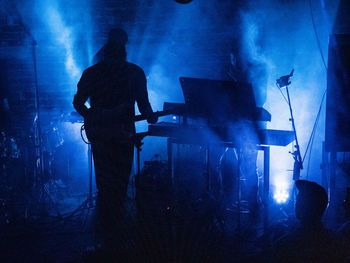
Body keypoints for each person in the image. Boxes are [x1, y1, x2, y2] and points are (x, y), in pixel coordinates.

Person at [73, 28, 157, 251]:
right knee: (118, 180)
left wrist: (94, 116)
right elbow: (144, 104)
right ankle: (114, 234)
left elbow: (78, 103)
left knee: (107, 181)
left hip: (103, 133)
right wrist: (149, 115)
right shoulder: (134, 72)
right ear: (124, 55)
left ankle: (107, 233)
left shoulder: (92, 73)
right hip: (120, 134)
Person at [271, 180, 345, 263]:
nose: (296, 204)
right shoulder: (336, 242)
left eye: (299, 200)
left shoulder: (287, 244)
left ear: (304, 206)